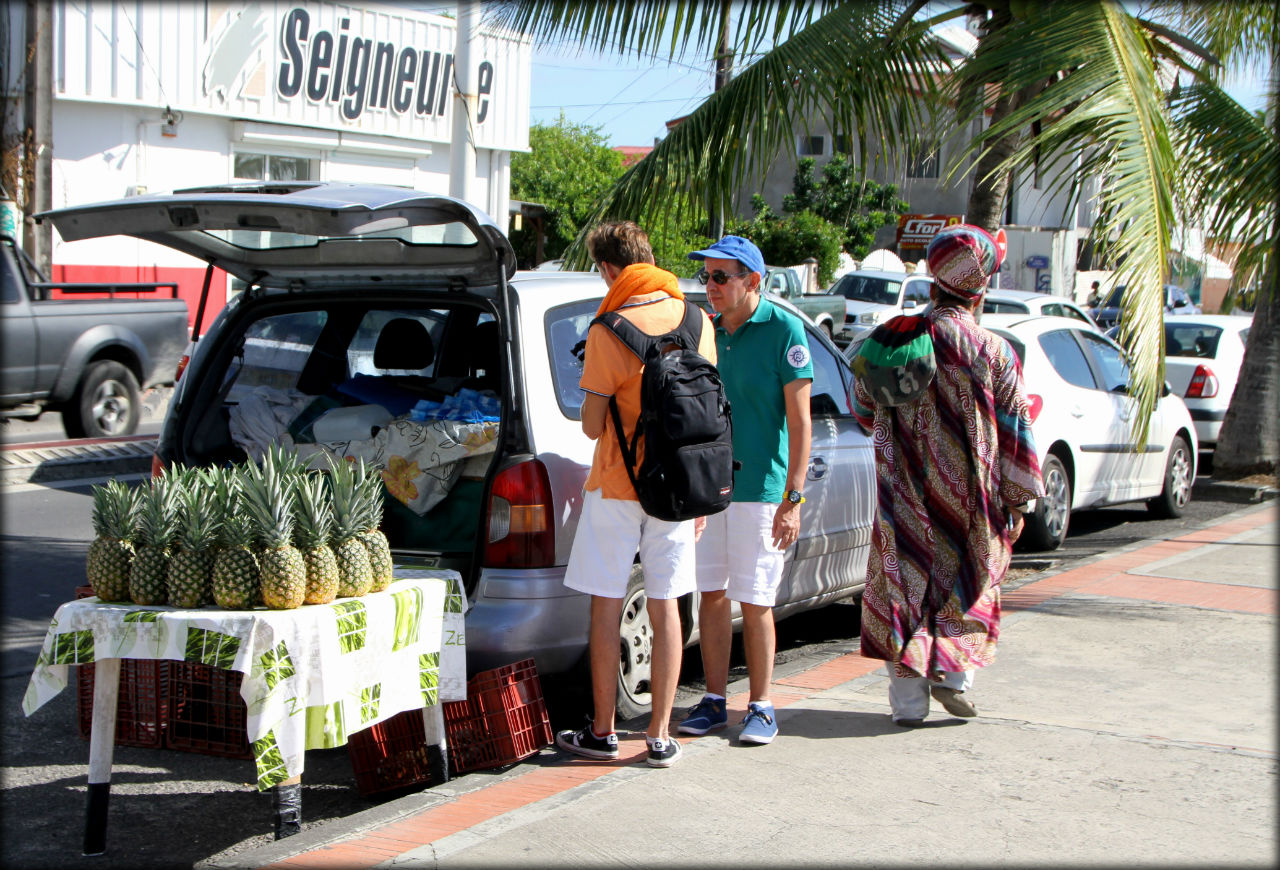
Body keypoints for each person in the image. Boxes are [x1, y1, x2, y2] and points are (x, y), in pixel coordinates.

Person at [852, 224, 1044, 726]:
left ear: (933, 280)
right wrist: (1019, 502)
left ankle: (907, 706)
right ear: (980, 289)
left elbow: (864, 408)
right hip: (972, 503)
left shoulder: (892, 339)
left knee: (905, 588)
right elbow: (1016, 431)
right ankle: (954, 679)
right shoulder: (994, 351)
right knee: (969, 584)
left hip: (904, 497)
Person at [555, 220, 717, 768]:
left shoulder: (609, 329)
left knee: (607, 602)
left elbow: (591, 425)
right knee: (666, 602)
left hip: (619, 487)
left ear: (608, 269)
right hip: (678, 486)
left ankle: (602, 732)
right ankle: (660, 735)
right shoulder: (697, 320)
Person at [677, 235, 813, 746]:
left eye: (719, 277)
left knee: (755, 600)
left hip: (762, 490)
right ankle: (715, 700)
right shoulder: (705, 332)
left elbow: (800, 425)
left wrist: (793, 500)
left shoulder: (785, 330)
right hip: (711, 490)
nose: (709, 287)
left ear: (752, 281)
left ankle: (761, 705)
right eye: (705, 277)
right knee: (710, 596)